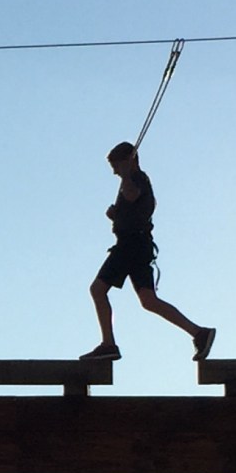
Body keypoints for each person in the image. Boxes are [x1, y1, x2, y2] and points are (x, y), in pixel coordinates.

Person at [83, 141, 215, 362]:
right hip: (139, 246)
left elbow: (133, 195)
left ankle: (108, 344)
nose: (115, 171)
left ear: (129, 160)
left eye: (117, 166)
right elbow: (138, 209)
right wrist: (117, 215)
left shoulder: (136, 179)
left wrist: (126, 176)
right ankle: (198, 333)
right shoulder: (136, 180)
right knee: (148, 300)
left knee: (98, 289)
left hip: (130, 246)